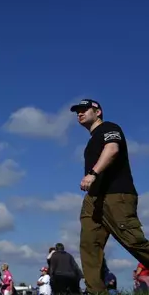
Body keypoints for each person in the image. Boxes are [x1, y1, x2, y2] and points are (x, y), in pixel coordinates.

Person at [70, 99, 149, 294]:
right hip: (94, 198)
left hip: (116, 195)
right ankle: (96, 291)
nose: (79, 113)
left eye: (84, 109)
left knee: (132, 240)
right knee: (89, 245)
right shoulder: (91, 139)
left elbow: (112, 149)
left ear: (98, 111)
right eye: (77, 111)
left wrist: (93, 173)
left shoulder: (110, 128)